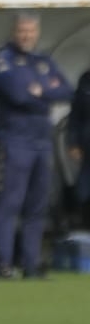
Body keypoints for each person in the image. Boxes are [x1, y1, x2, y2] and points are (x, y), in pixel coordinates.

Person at [0, 13, 73, 279]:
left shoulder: (43, 61)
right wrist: (45, 94)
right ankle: (4, 262)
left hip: (41, 140)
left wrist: (41, 92)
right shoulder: (2, 61)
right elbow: (17, 95)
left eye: (31, 31)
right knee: (11, 202)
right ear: (13, 32)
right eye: (22, 30)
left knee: (37, 204)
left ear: (37, 33)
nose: (26, 35)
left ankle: (31, 262)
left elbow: (67, 92)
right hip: (15, 139)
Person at [67, 65, 90, 226]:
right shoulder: (85, 80)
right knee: (83, 193)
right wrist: (73, 143)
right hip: (87, 147)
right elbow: (75, 116)